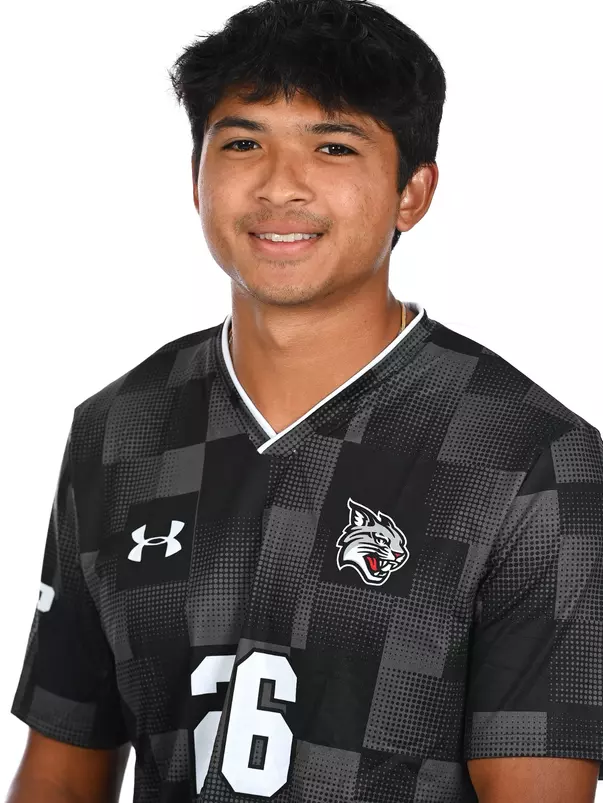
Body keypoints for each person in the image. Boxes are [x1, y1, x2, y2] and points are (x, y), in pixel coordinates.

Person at [7, 0, 603, 801]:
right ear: (196, 179)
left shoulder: (532, 457)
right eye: (244, 142)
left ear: (411, 193)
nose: (280, 185)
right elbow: (61, 771)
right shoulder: (120, 428)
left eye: (332, 146)